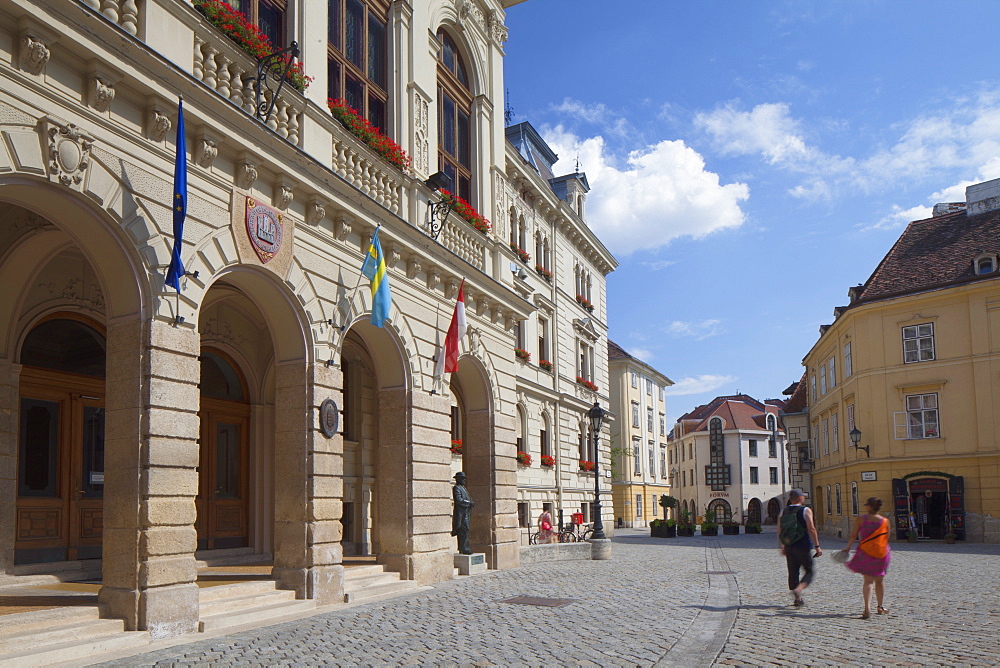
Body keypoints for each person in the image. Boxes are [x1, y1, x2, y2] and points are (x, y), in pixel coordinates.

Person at [840, 496, 891, 619]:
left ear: (869, 506)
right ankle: (880, 606)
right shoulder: (885, 521)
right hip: (882, 553)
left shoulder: (861, 519)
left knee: (868, 581)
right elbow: (887, 537)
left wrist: (847, 548)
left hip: (866, 552)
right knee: (880, 580)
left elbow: (853, 536)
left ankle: (867, 609)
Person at [778, 489, 822, 607]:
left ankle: (797, 597)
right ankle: (799, 590)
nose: (804, 498)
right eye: (803, 497)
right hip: (803, 545)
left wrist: (782, 546)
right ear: (799, 498)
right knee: (809, 571)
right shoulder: (806, 510)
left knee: (793, 572)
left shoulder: (783, 511)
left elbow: (780, 530)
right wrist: (817, 546)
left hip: (789, 546)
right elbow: (811, 528)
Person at [451, 472, 475, 555]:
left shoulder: (464, 488)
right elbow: (458, 500)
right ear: (458, 479)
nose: (464, 480)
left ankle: (465, 548)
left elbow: (467, 498)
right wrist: (468, 503)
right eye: (462, 478)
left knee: (466, 530)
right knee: (463, 530)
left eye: (464, 478)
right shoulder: (456, 488)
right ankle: (464, 548)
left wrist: (471, 501)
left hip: (466, 513)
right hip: (461, 514)